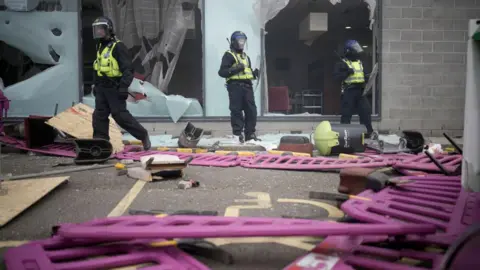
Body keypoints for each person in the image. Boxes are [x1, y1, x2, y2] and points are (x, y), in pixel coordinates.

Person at [91, 16, 151, 150]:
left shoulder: (118, 46)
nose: (98, 32)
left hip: (115, 87)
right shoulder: (99, 46)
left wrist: (124, 87)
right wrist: (96, 85)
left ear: (108, 30)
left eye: (101, 29)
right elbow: (97, 67)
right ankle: (101, 143)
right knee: (99, 115)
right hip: (102, 88)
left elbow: (128, 70)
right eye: (96, 29)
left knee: (120, 115)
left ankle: (143, 135)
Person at [218, 31, 260, 143]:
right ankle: (237, 135)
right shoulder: (229, 55)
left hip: (247, 87)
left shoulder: (246, 57)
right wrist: (235, 69)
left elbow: (246, 72)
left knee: (251, 111)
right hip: (235, 87)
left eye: (243, 41)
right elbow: (222, 72)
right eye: (239, 41)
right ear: (233, 42)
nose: (241, 43)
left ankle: (250, 134)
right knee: (236, 111)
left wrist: (254, 74)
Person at [333, 39, 374, 138]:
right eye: (355, 49)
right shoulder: (342, 63)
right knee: (346, 115)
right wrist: (347, 72)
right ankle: (345, 136)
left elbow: (362, 75)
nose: (357, 51)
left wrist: (366, 77)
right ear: (349, 51)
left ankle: (368, 134)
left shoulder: (360, 63)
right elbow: (336, 78)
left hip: (360, 91)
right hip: (349, 91)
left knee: (365, 112)